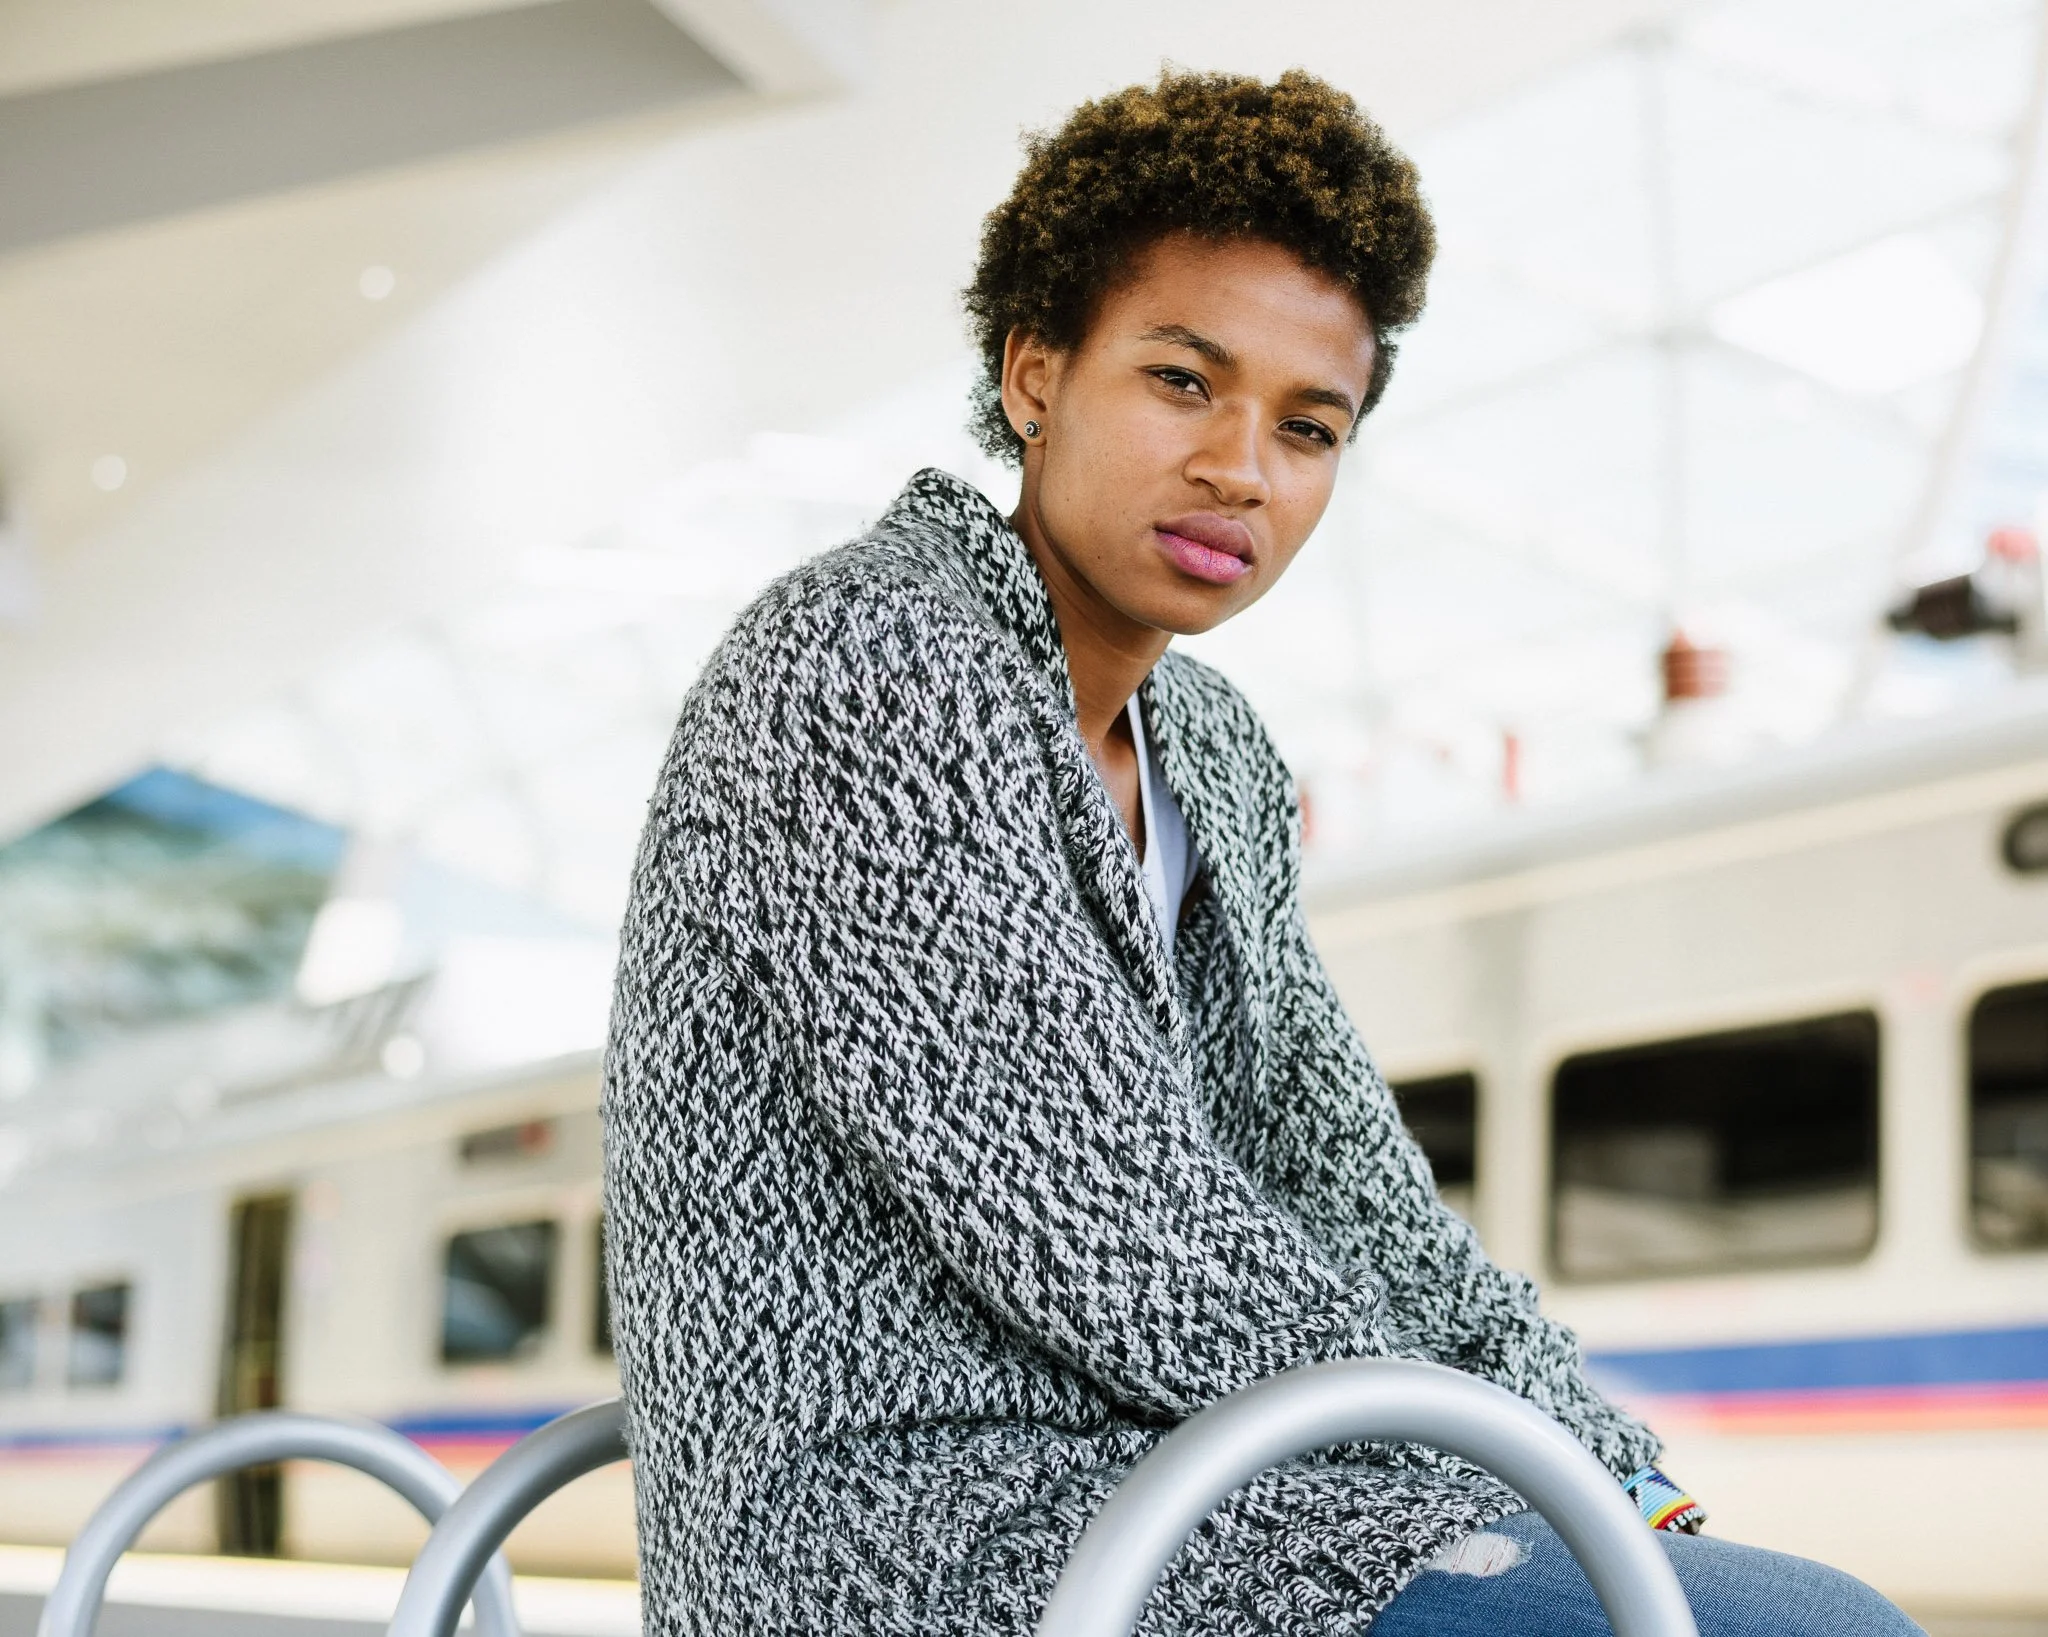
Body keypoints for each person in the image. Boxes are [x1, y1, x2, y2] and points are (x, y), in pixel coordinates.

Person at [602, 68, 1922, 1636]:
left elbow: (1342, 1171)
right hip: (903, 1531)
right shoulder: (865, 661)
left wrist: (1621, 1473)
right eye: (1181, 381)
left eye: (1309, 426)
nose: (1244, 467)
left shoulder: (1211, 751)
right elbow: (1101, 1217)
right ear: (1035, 372)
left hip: (1185, 1491)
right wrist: (1517, 1478)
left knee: (1760, 1598)